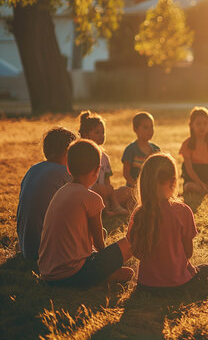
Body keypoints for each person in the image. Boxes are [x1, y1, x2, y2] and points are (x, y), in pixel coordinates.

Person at [38, 139, 134, 287]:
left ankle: (104, 277)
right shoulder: (92, 198)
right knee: (129, 244)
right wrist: (108, 262)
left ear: (69, 169)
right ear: (97, 170)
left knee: (126, 271)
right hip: (75, 274)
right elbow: (99, 245)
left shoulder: (61, 192)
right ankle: (103, 277)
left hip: (48, 275)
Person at [127, 153, 208, 292]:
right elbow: (188, 253)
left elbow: (135, 250)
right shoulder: (182, 211)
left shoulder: (139, 213)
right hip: (179, 285)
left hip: (146, 286)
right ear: (173, 181)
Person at [16, 127, 76, 261]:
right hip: (47, 252)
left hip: (26, 246)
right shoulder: (64, 174)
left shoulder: (33, 169)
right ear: (68, 152)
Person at [78, 110, 129, 215]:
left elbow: (107, 180)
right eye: (97, 132)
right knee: (99, 189)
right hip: (88, 193)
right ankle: (106, 210)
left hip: (103, 194)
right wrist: (103, 190)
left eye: (103, 132)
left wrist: (108, 191)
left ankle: (114, 206)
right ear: (85, 135)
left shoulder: (104, 157)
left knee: (126, 190)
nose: (102, 135)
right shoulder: (82, 155)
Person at [121, 112, 161, 188]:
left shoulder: (156, 149)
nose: (150, 130)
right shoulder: (131, 150)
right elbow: (126, 174)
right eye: (146, 127)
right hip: (133, 188)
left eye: (151, 127)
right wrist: (136, 186)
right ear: (135, 129)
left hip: (151, 188)